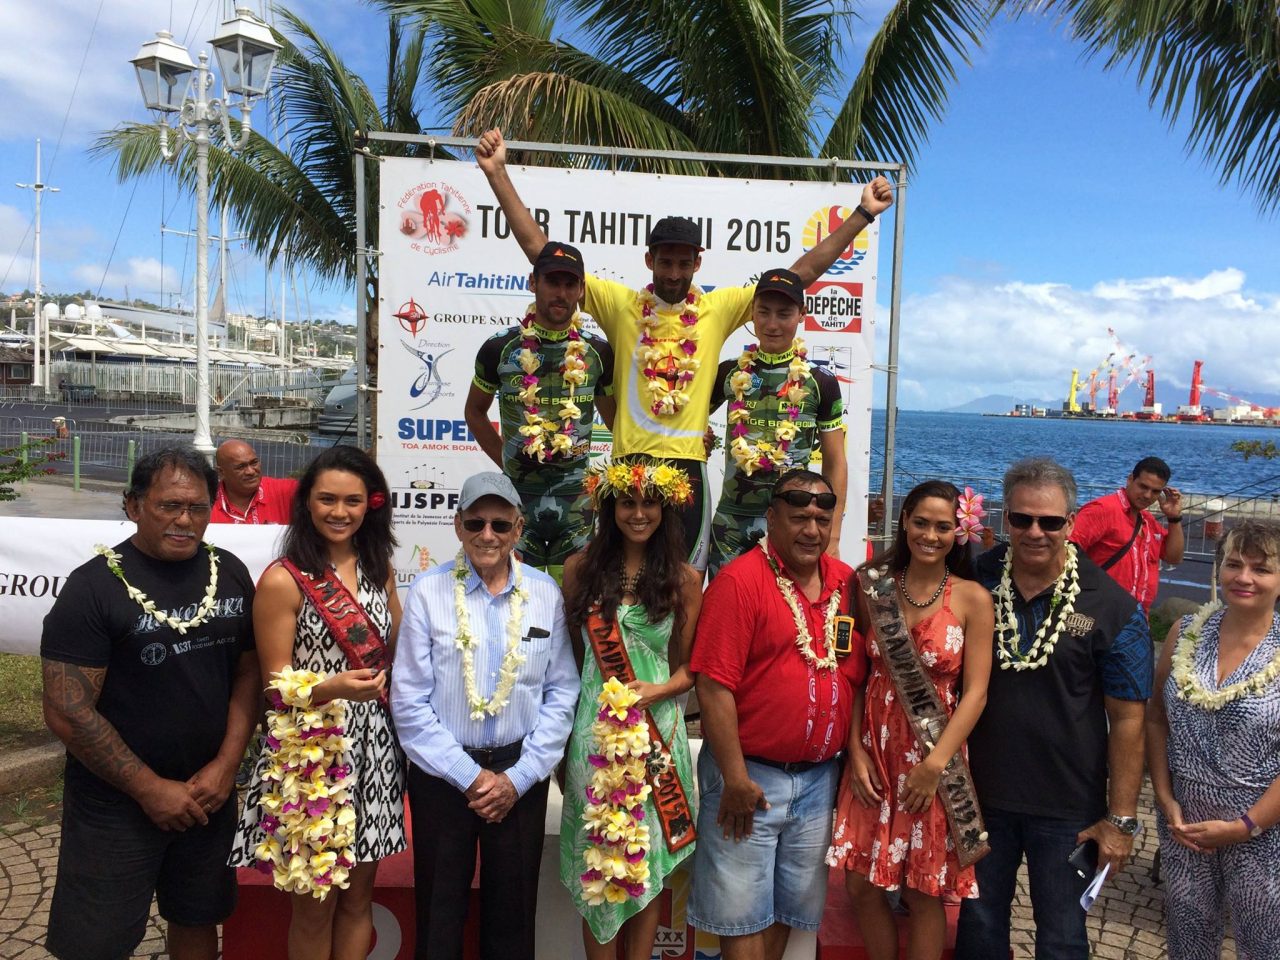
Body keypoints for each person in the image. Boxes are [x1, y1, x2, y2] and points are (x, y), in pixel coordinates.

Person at [475, 127, 894, 569]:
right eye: (665, 261)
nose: (673, 272)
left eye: (683, 262)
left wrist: (862, 214)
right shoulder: (619, 305)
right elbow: (540, 252)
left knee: (688, 586)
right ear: (649, 260)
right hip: (629, 464)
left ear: (698, 262)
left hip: (687, 468)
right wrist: (497, 174)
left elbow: (798, 275)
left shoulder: (719, 307)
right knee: (618, 585)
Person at [40, 446, 259, 960]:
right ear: (133, 505)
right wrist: (150, 790)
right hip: (116, 804)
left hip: (208, 794)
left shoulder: (227, 571)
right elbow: (67, 709)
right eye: (169, 506)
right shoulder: (91, 588)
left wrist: (227, 767)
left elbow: (248, 673)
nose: (185, 520)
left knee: (198, 917)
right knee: (96, 942)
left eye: (198, 507)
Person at [955, 457, 1154, 960]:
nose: (1035, 532)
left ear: (1072, 522)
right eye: (1022, 519)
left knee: (1063, 939)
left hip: (1068, 807)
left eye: (1050, 521)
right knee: (978, 930)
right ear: (1005, 520)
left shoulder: (1113, 607)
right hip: (980, 798)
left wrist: (1122, 819)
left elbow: (1130, 719)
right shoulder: (974, 580)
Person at [391, 471, 580, 960]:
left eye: (500, 524)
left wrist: (517, 779)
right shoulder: (429, 593)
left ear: (519, 529)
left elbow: (562, 692)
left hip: (521, 774)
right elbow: (409, 701)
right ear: (457, 526)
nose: (488, 535)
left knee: (513, 920)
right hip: (442, 775)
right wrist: (471, 778)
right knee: (439, 914)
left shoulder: (545, 593)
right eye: (476, 522)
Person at [228, 445, 405, 960]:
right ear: (307, 502)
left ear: (371, 504)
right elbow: (274, 688)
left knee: (358, 899)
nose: (340, 512)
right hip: (312, 756)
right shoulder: (283, 579)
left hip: (375, 755)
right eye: (327, 499)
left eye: (353, 500)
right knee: (315, 905)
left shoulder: (380, 568)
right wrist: (333, 688)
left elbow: (396, 655)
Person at [688, 468, 867, 960]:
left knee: (789, 910)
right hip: (750, 780)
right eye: (798, 517)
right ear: (771, 518)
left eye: (821, 518)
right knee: (740, 914)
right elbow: (713, 686)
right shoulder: (739, 582)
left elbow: (852, 678)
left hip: (817, 782)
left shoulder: (846, 583)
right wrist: (736, 778)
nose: (812, 529)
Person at [828, 481, 994, 960]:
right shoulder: (871, 586)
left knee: (924, 892)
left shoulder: (972, 599)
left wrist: (935, 765)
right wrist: (854, 750)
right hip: (874, 753)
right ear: (904, 522)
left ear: (959, 530)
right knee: (861, 884)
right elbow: (857, 676)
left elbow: (977, 693)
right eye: (921, 522)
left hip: (934, 758)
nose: (930, 535)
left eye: (944, 526)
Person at [559, 457, 703, 958]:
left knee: (646, 869)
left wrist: (655, 692)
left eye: (648, 503)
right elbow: (576, 661)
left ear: (665, 510)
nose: (638, 513)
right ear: (610, 507)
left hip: (658, 737)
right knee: (599, 862)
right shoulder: (579, 569)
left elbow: (690, 671)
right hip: (594, 736)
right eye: (627, 502)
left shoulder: (685, 579)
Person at [1147, 519, 1280, 959]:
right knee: (1188, 940)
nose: (1244, 577)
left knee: (1264, 944)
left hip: (1262, 829)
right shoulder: (1185, 632)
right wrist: (1165, 799)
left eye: (1261, 569)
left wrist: (1245, 826)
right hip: (1185, 824)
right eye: (1233, 564)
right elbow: (1156, 718)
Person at [464, 240, 617, 582]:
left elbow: (615, 422)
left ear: (580, 290)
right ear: (534, 283)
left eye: (569, 284)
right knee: (516, 605)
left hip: (578, 506)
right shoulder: (499, 348)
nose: (560, 293)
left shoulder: (599, 352)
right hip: (517, 501)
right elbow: (475, 412)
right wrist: (507, 459)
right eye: (552, 282)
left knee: (574, 609)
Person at [707, 267, 846, 576]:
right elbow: (686, 422)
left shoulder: (820, 381)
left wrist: (833, 536)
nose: (771, 325)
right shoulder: (729, 372)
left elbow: (835, 461)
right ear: (751, 314)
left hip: (795, 523)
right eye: (763, 312)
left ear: (801, 314)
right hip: (731, 523)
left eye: (783, 314)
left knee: (788, 619)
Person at [1071, 455, 1183, 614]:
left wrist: (1174, 517)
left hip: (1136, 617)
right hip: (1098, 612)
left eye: (1155, 491)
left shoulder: (1147, 521)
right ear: (1130, 479)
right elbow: (1065, 550)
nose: (1147, 495)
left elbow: (1174, 557)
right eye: (1143, 486)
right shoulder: (1103, 509)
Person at [210, 438, 299, 524]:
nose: (251, 471)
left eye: (254, 463)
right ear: (221, 472)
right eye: (240, 467)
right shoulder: (206, 504)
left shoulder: (285, 491)